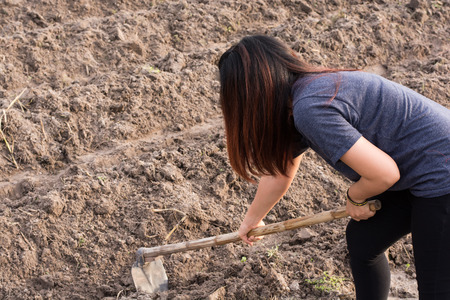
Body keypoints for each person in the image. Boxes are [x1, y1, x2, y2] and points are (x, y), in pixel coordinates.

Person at [217, 35, 450, 299]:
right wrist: (252, 220)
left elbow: (384, 173)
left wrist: (355, 197)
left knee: (436, 289)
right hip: (422, 170)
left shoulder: (311, 107)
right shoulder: (301, 98)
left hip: (441, 176)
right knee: (364, 241)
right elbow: (281, 171)